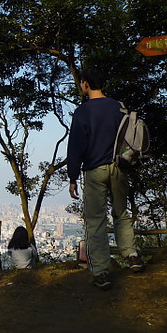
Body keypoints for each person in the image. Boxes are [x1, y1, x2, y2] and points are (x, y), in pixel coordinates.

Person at [67, 65, 145, 290]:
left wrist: (73, 177)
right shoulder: (118, 107)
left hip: (94, 171)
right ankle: (131, 255)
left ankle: (101, 272)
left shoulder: (82, 112)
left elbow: (76, 147)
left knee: (95, 221)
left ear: (86, 84)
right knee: (121, 212)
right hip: (119, 167)